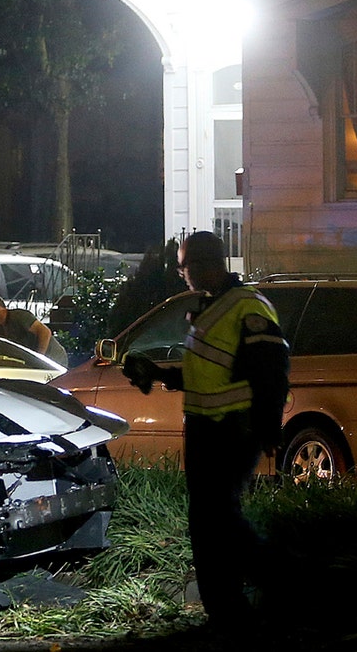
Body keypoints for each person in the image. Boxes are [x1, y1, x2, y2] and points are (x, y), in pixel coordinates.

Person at [121, 230, 290, 628]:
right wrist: (158, 372)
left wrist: (267, 430)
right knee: (209, 520)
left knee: (219, 519)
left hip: (232, 430)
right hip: (207, 429)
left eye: (183, 267)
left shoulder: (247, 306)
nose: (183, 275)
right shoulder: (215, 307)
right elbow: (209, 371)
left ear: (202, 264)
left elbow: (271, 371)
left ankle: (279, 583)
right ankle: (225, 607)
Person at [0, 294, 69, 366]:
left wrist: (39, 358)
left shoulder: (19, 316)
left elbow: (45, 332)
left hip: (54, 358)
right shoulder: (0, 328)